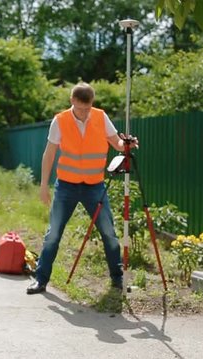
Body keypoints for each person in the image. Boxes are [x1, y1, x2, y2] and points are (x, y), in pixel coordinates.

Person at [27, 82, 138, 295]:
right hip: (66, 186)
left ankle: (117, 279)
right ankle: (40, 280)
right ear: (72, 102)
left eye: (87, 108)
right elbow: (49, 154)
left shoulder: (100, 116)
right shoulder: (59, 121)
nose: (84, 113)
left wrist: (126, 144)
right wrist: (44, 186)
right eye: (80, 108)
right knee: (53, 235)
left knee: (109, 232)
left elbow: (116, 143)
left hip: (94, 186)